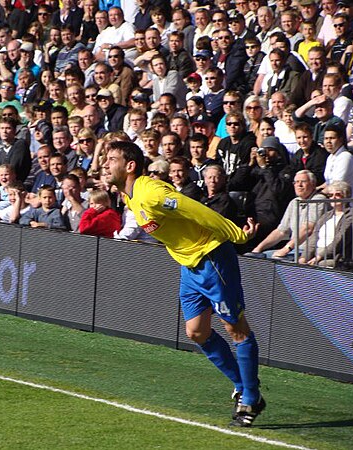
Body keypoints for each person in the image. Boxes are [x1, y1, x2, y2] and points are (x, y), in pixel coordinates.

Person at [103, 140, 264, 427]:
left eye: (111, 158)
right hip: (189, 266)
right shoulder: (128, 196)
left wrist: (236, 235)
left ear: (129, 166)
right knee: (196, 332)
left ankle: (250, 399)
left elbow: (194, 209)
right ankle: (243, 385)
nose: (105, 164)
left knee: (236, 328)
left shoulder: (151, 192)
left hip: (212, 257)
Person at [249, 170, 326, 259]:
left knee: (272, 259)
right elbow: (281, 231)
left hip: (309, 251)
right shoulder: (294, 202)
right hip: (294, 249)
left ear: (313, 184)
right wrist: (258, 248)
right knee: (254, 256)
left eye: (303, 182)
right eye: (296, 182)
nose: (299, 185)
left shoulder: (319, 200)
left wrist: (286, 248)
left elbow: (308, 228)